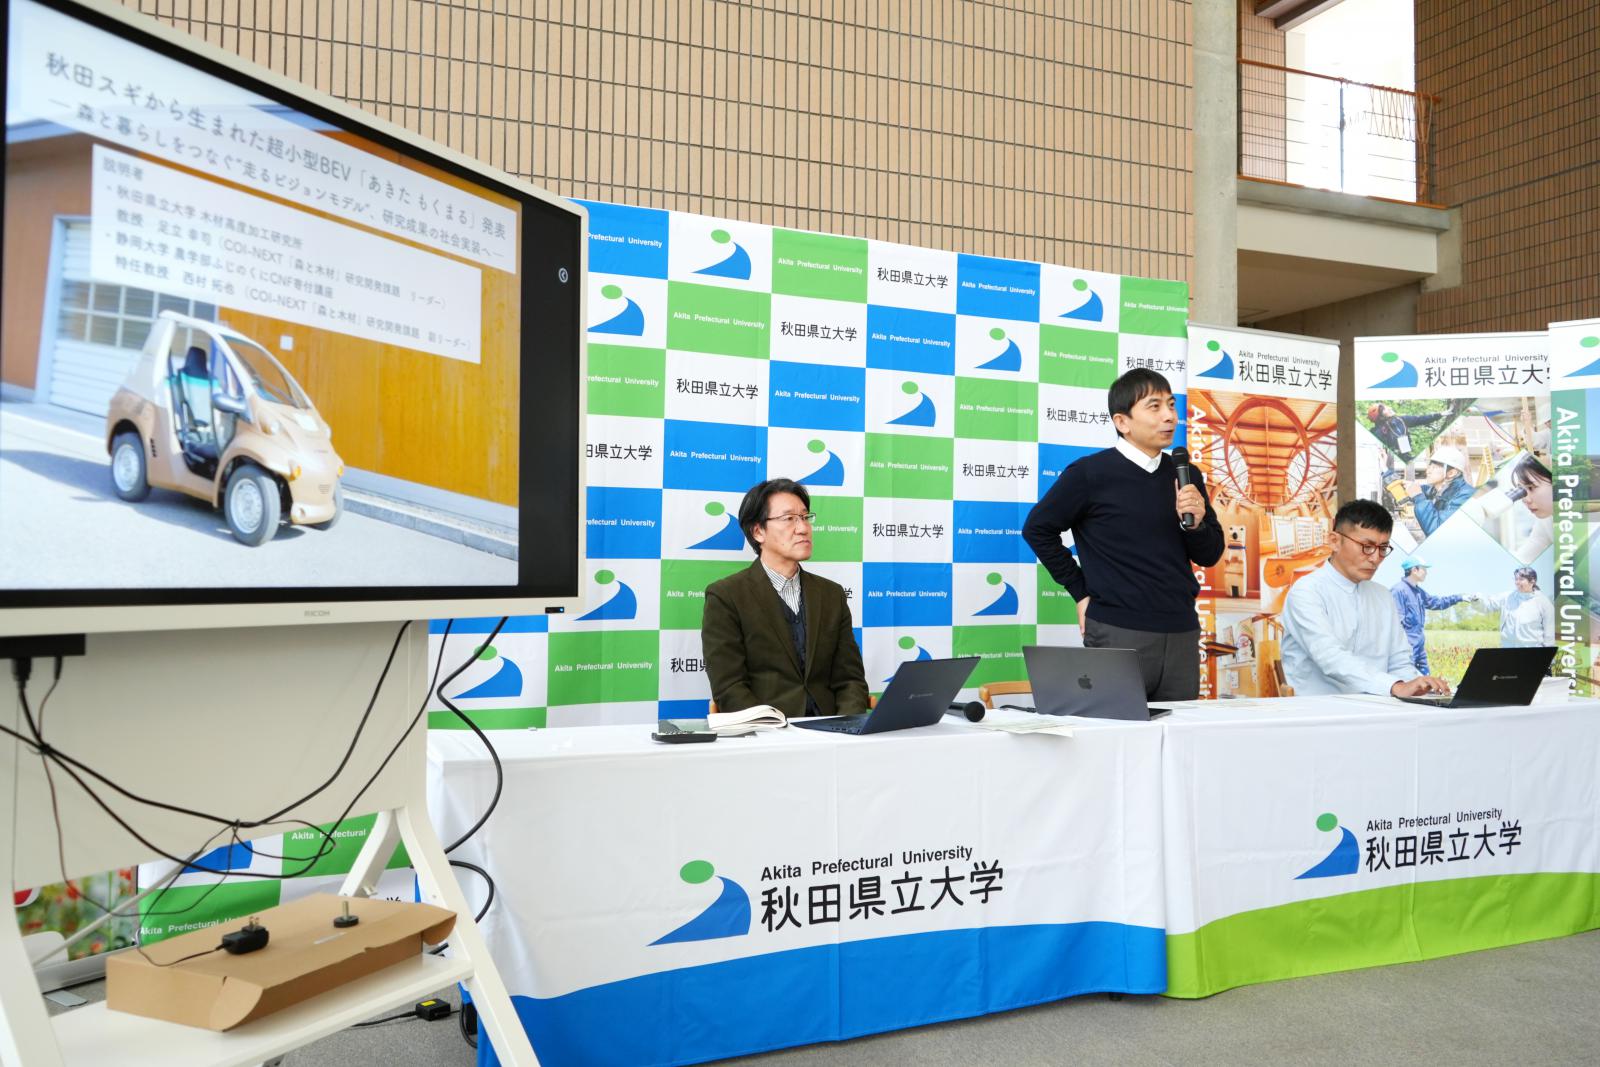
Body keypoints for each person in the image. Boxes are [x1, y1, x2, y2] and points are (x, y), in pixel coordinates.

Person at [1022, 368, 1224, 700]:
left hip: (1182, 632)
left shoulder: (1185, 474)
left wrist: (1197, 523)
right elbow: (1037, 529)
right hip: (1118, 632)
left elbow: (1209, 554)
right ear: (1122, 422)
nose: (1169, 416)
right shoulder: (1090, 473)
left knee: (1180, 729)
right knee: (1115, 727)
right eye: (1154, 406)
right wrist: (1080, 592)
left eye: (1171, 405)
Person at [701, 478, 869, 718]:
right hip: (767, 732)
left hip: (830, 731)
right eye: (789, 518)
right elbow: (729, 687)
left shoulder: (832, 594)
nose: (803, 528)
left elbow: (850, 679)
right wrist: (773, 729)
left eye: (805, 517)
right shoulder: (726, 596)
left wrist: (845, 725)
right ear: (758, 531)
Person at [1280, 499, 1452, 698]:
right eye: (1367, 546)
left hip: (1381, 706)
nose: (1375, 558)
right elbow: (1330, 657)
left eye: (1383, 548)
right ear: (1334, 541)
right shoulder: (1306, 592)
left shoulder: (1382, 596)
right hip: (1321, 708)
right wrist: (1395, 686)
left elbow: (1399, 662)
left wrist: (1420, 687)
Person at [1389, 558, 1474, 675]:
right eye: (1424, 569)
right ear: (1414, 570)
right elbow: (1397, 622)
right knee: (1406, 679)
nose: (1426, 572)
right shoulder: (1398, 590)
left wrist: (1460, 597)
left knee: (1426, 680)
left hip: (1419, 647)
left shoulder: (1419, 592)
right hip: (1406, 648)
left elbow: (1437, 603)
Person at [1480, 566, 1556, 648]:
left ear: (1532, 581)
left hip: (1533, 651)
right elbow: (1488, 605)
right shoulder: (1507, 597)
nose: (1517, 582)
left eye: (1521, 579)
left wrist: (1548, 653)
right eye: (1516, 579)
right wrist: (1476, 600)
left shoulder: (1543, 602)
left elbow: (1550, 632)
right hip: (1508, 649)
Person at [1406, 445, 1474, 535]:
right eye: (1429, 466)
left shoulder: (1465, 496)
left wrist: (1419, 497)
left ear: (1451, 473)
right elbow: (1423, 490)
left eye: (1434, 467)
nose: (1428, 471)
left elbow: (1437, 530)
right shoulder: (1436, 490)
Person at [1366, 402, 1443, 467]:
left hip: (1406, 457)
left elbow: (1420, 419)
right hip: (1391, 461)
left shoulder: (1401, 420)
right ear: (1381, 417)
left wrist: (1439, 415)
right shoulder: (1378, 432)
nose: (1389, 408)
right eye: (1384, 409)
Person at [1509, 454, 1554, 564]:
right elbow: (1525, 557)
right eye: (1522, 490)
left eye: (1531, 488)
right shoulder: (1547, 519)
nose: (1525, 499)